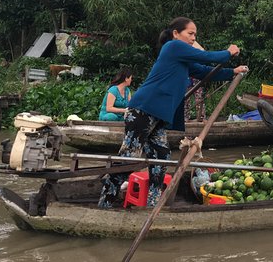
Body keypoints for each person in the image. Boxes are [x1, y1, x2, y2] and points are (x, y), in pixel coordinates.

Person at [98, 17, 248, 209]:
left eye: (195, 34)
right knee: (128, 158)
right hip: (143, 110)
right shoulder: (172, 47)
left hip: (158, 116)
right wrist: (228, 52)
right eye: (190, 33)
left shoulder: (183, 59)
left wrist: (232, 71)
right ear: (176, 33)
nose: (193, 38)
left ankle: (152, 205)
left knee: (161, 157)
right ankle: (105, 203)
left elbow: (204, 71)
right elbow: (208, 57)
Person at [184, 40, 207, 122]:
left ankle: (201, 117)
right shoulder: (182, 47)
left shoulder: (195, 46)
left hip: (196, 77)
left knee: (199, 98)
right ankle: (185, 118)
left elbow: (202, 53)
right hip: (186, 77)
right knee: (185, 98)